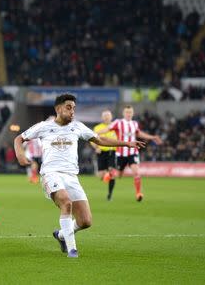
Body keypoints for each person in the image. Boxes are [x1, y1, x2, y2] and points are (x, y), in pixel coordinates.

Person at [14, 94, 145, 258]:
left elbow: (100, 140)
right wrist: (19, 154)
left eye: (74, 108)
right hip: (50, 174)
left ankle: (61, 235)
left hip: (71, 176)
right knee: (66, 203)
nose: (72, 111)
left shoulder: (77, 127)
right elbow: (19, 138)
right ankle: (72, 250)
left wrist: (126, 143)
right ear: (58, 109)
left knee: (85, 221)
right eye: (69, 107)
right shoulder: (44, 127)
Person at [101, 105, 162, 202]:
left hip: (133, 152)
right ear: (123, 113)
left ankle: (138, 194)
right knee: (119, 175)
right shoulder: (118, 123)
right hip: (120, 153)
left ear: (132, 113)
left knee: (136, 172)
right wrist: (95, 134)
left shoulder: (134, 124)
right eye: (127, 112)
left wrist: (152, 137)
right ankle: (110, 174)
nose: (129, 114)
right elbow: (107, 129)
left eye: (130, 112)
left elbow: (139, 134)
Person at [90, 110, 117, 201]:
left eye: (108, 115)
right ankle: (106, 175)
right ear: (102, 117)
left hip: (112, 152)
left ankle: (110, 195)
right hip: (101, 152)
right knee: (101, 175)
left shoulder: (115, 127)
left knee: (111, 172)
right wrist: (96, 148)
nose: (106, 117)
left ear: (111, 116)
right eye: (104, 116)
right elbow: (91, 140)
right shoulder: (97, 128)